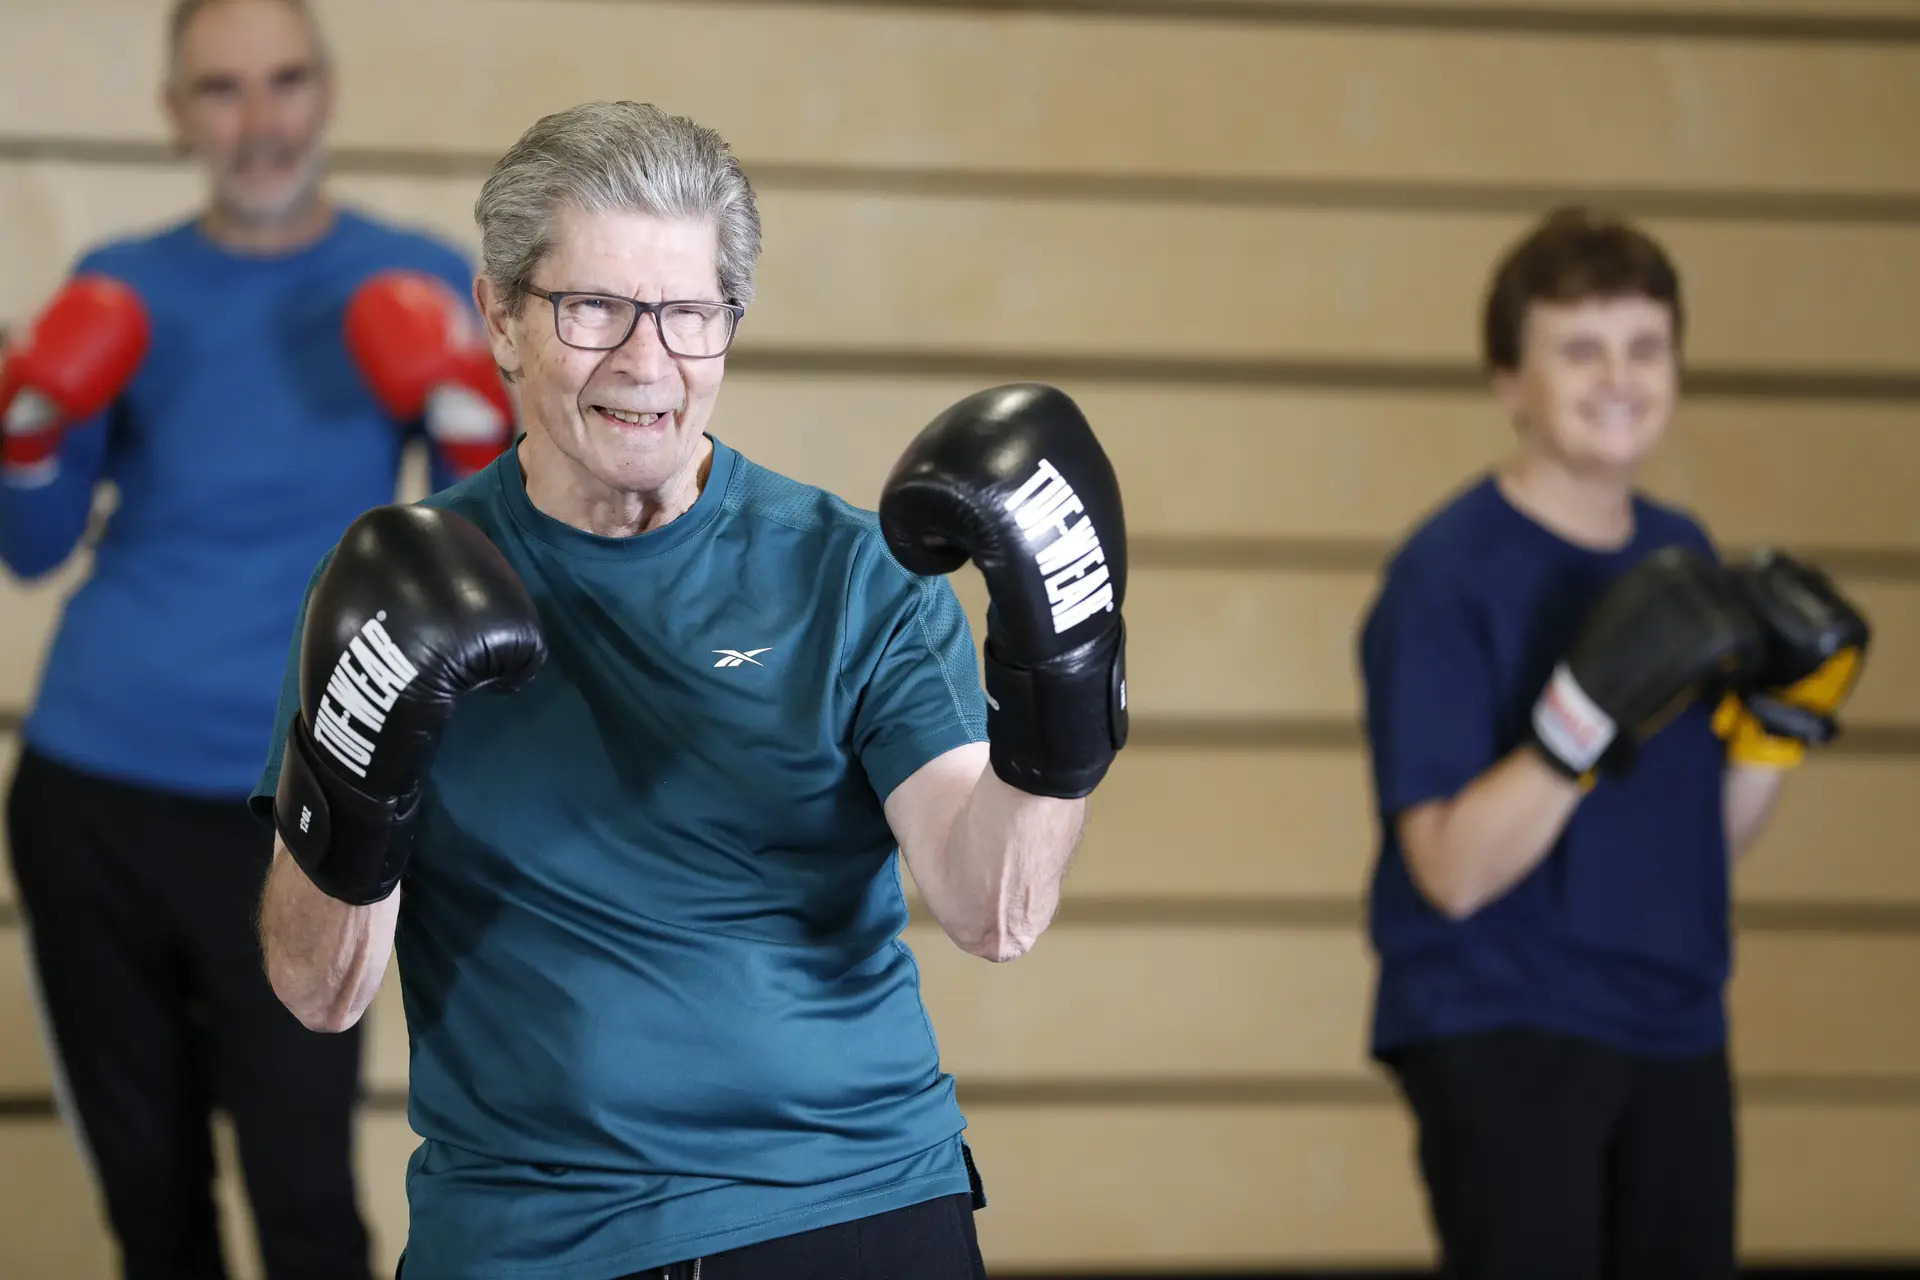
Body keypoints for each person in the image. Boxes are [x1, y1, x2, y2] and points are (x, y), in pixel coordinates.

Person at [249, 99, 1129, 1280]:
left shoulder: (851, 573)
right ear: (502, 318)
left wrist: (1063, 676)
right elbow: (316, 989)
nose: (646, 359)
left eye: (688, 312)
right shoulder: (396, 586)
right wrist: (359, 768)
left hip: (847, 1202)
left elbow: (993, 908)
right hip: (528, 1236)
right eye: (593, 306)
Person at [0, 1, 511, 1276]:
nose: (259, 118)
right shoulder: (123, 285)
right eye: (221, 89)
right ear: (178, 115)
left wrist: (460, 407)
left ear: (325, 92)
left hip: (303, 795)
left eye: (284, 80)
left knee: (305, 1196)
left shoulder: (409, 275)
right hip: (92, 788)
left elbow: (493, 541)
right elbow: (32, 544)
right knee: (152, 1203)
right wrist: (26, 424)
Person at [1355, 206, 1871, 1280]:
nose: (1619, 377)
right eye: (1579, 349)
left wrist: (1778, 734)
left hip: (1675, 1015)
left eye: (1645, 346)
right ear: (1508, 380)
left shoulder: (1684, 555)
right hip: (1505, 1013)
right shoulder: (1446, 576)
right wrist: (1575, 719)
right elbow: (1448, 871)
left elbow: (1700, 842)